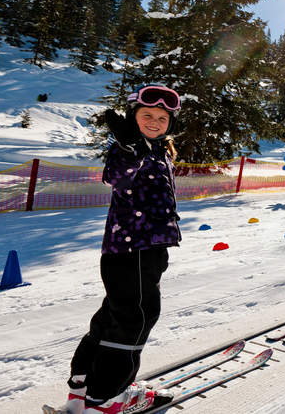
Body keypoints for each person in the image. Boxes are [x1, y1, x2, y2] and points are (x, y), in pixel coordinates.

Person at [58, 84, 182, 414]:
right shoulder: (130, 150)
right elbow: (115, 174)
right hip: (135, 247)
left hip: (141, 248)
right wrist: (130, 149)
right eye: (146, 115)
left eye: (161, 117)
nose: (155, 121)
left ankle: (83, 386)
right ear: (133, 117)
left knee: (114, 313)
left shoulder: (158, 150)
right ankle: (108, 397)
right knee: (136, 317)